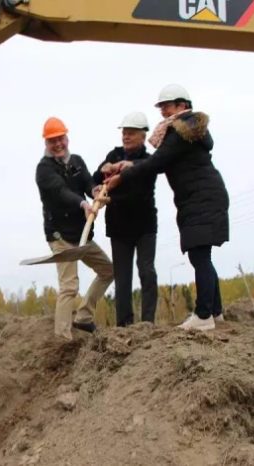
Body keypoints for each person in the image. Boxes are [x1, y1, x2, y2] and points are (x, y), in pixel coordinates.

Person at [104, 84, 229, 332]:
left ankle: (204, 315)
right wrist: (129, 166)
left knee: (199, 256)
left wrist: (123, 175)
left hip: (201, 198)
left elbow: (157, 163)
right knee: (202, 255)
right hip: (200, 197)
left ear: (182, 106)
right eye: (161, 107)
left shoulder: (182, 131)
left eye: (167, 106)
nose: (163, 112)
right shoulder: (188, 130)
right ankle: (215, 312)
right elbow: (157, 161)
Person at [35, 116, 115, 340]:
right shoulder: (44, 170)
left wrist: (96, 191)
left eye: (60, 138)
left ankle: (84, 317)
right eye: (52, 141)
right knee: (69, 286)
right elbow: (61, 191)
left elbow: (87, 183)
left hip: (82, 235)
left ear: (66, 137)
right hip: (60, 236)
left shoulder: (77, 161)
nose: (58, 144)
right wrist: (83, 204)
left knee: (109, 271)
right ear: (46, 144)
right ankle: (62, 339)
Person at [91, 111, 158, 327]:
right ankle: (124, 324)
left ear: (143, 136)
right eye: (124, 133)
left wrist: (114, 192)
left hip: (144, 225)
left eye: (130, 133)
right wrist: (102, 176)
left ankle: (148, 322)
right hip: (119, 227)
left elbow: (141, 192)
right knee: (122, 277)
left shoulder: (148, 162)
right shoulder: (114, 154)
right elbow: (95, 178)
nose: (126, 137)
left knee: (146, 271)